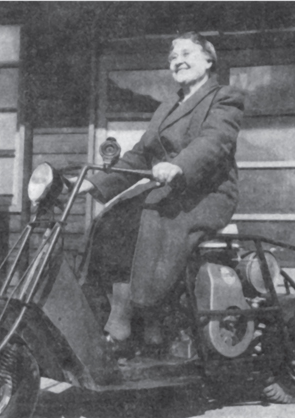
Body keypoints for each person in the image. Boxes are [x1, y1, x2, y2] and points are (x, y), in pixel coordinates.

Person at [77, 32, 245, 346]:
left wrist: (180, 164)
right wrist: (92, 183)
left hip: (207, 193)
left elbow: (214, 142)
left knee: (150, 215)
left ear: (209, 60)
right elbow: (141, 152)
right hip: (170, 190)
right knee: (111, 220)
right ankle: (124, 318)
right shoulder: (169, 104)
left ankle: (144, 316)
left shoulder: (224, 97)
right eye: (172, 57)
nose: (177, 61)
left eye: (186, 54)